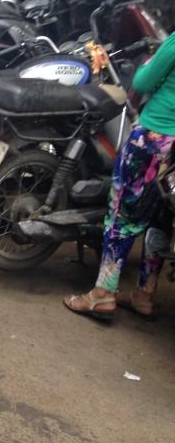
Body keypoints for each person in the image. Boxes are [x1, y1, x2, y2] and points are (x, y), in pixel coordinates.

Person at [64, 34, 175, 322]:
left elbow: (142, 82)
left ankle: (102, 294)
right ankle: (143, 294)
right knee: (161, 217)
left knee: (121, 216)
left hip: (156, 136)